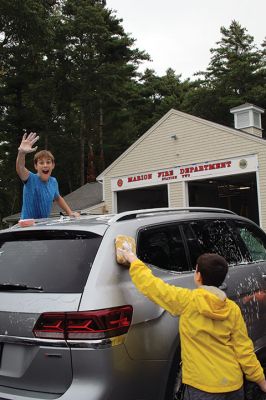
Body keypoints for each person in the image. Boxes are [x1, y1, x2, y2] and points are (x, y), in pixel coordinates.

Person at [117, 242, 266, 400]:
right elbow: (244, 351)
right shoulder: (232, 309)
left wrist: (132, 259)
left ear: (198, 276)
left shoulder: (187, 301)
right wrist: (261, 381)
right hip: (233, 387)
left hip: (202, 389)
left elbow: (153, 286)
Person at [16, 132, 80, 220]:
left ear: (53, 165)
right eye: (41, 163)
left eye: (48, 162)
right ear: (36, 166)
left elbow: (58, 198)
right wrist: (21, 153)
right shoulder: (30, 179)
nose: (45, 165)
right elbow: (20, 167)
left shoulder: (53, 182)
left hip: (43, 226)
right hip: (28, 227)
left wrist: (70, 213)